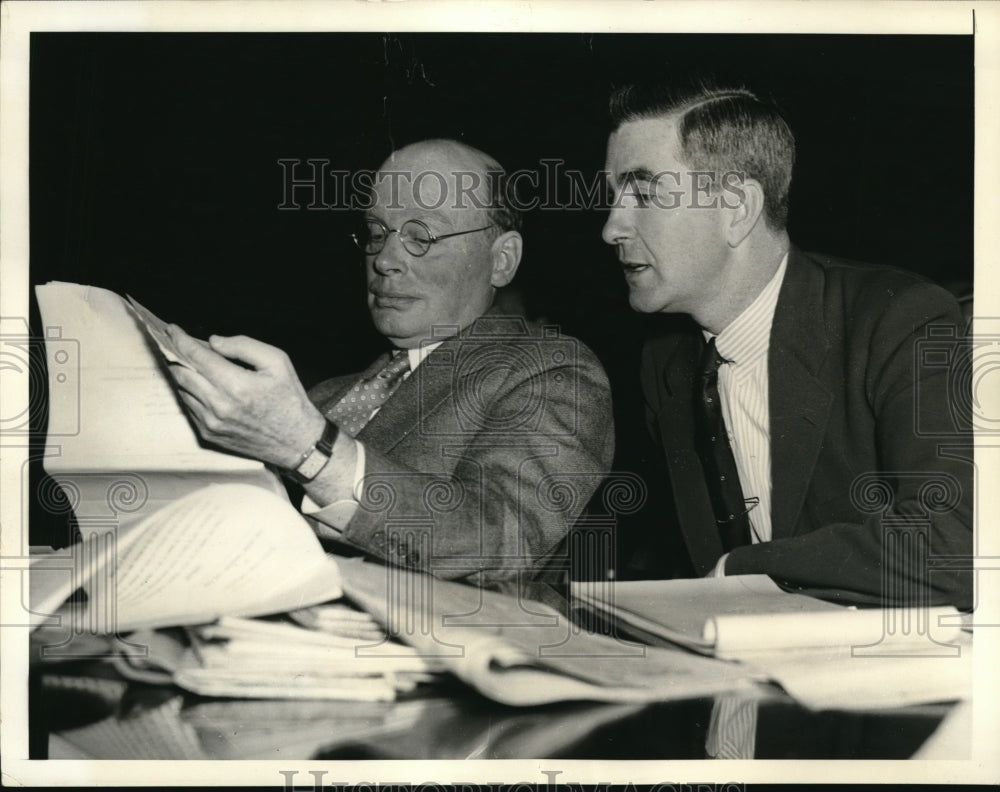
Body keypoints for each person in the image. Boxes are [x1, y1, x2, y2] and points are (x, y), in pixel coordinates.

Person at [167, 139, 614, 588]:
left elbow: (500, 542)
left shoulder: (550, 371)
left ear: (501, 260)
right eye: (377, 233)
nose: (383, 260)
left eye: (422, 236)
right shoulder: (324, 396)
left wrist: (308, 449)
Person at [601, 80, 972, 608]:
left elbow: (956, 546)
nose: (612, 227)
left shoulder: (897, 318)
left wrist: (741, 568)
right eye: (614, 195)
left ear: (736, 208)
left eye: (644, 193)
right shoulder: (665, 361)